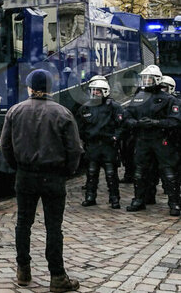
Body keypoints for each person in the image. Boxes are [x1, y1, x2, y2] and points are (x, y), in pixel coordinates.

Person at [0, 69, 82, 292]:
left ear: (29, 88)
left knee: (23, 224)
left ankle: (23, 270)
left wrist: (17, 167)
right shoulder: (63, 113)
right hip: (53, 176)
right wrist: (67, 171)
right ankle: (57, 276)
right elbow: (74, 149)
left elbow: (5, 146)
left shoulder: (15, 111)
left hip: (25, 175)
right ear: (50, 89)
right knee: (53, 227)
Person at [124, 65, 181, 215]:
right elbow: (127, 116)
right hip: (143, 139)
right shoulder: (138, 98)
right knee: (140, 171)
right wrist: (136, 124)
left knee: (168, 171)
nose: (146, 81)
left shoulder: (169, 99)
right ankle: (139, 199)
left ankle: (174, 203)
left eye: (149, 79)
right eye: (144, 78)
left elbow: (175, 121)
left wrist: (156, 123)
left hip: (161, 139)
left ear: (157, 80)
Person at [76, 76, 125, 209]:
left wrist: (115, 137)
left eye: (98, 91)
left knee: (111, 174)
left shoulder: (113, 106)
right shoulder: (86, 108)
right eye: (93, 91)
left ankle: (114, 198)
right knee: (91, 173)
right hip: (92, 145)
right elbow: (80, 126)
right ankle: (90, 197)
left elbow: (122, 125)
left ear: (105, 91)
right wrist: (85, 138)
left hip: (108, 145)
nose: (95, 93)